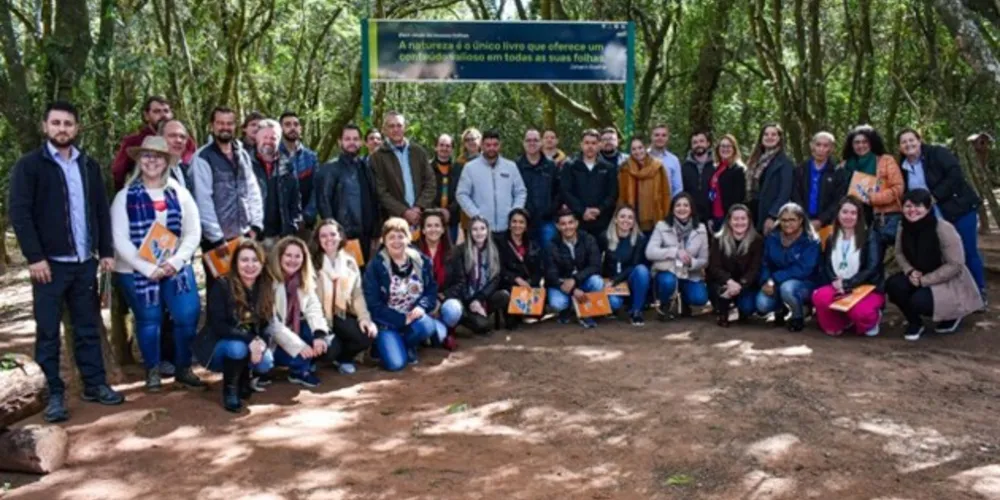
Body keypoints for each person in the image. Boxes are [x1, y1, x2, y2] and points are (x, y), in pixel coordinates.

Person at [8, 101, 125, 422]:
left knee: (87, 327)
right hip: (48, 266)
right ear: (45, 127)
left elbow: (100, 210)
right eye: (56, 123)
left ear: (77, 128)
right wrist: (35, 257)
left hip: (83, 262)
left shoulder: (88, 165)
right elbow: (20, 213)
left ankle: (95, 384)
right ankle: (53, 395)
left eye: (68, 123)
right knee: (48, 332)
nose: (62, 129)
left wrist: (105, 251)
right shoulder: (30, 166)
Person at [111, 136, 204, 391]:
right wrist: (148, 268)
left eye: (158, 157)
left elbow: (192, 232)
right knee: (149, 319)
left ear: (166, 162)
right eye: (147, 156)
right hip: (136, 270)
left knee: (187, 315)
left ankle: (183, 367)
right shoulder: (125, 196)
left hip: (175, 267)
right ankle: (152, 370)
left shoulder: (179, 193)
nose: (152, 161)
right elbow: (119, 238)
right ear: (139, 160)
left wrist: (176, 261)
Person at [897, 128, 986, 303]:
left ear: (919, 140)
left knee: (967, 251)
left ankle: (979, 291)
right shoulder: (902, 167)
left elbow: (955, 174)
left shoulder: (937, 153)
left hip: (959, 209)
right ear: (900, 147)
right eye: (904, 142)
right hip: (929, 218)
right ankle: (950, 296)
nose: (908, 144)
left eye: (911, 140)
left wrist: (934, 196)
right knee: (942, 256)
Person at [886, 189, 984, 341]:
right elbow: (899, 253)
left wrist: (924, 280)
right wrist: (910, 271)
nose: (912, 210)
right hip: (918, 275)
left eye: (918, 206)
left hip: (946, 279)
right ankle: (915, 322)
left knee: (919, 301)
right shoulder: (903, 226)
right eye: (908, 206)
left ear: (927, 208)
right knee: (894, 285)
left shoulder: (943, 228)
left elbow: (955, 264)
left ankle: (952, 315)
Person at [193, 239, 275, 412]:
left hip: (249, 341)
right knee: (237, 348)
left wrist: (262, 343)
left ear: (262, 264)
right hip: (218, 345)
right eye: (244, 260)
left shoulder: (265, 286)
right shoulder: (222, 285)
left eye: (255, 260)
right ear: (236, 263)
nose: (250, 265)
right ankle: (230, 390)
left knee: (266, 361)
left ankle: (243, 377)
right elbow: (219, 326)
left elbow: (268, 323)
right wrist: (251, 340)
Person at [191, 106, 264, 290]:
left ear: (235, 126)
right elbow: (203, 200)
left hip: (244, 235)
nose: (225, 127)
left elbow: (252, 189)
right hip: (217, 241)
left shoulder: (242, 153)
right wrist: (217, 238)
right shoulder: (203, 157)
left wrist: (256, 225)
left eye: (229, 123)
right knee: (220, 291)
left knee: (246, 288)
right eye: (220, 123)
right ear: (212, 125)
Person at [363, 218, 442, 371]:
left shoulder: (421, 261)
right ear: (384, 240)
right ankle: (382, 346)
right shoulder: (376, 266)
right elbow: (373, 304)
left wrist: (421, 306)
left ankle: (406, 344)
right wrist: (401, 319)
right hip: (387, 322)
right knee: (396, 364)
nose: (397, 241)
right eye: (391, 237)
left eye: (401, 236)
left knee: (428, 325)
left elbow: (431, 290)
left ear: (409, 238)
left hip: (413, 318)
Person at [311, 219, 378, 374]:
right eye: (323, 236)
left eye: (333, 234)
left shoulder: (350, 260)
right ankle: (314, 359)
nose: (329, 239)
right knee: (330, 350)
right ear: (318, 239)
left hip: (341, 313)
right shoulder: (311, 263)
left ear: (340, 236)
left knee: (366, 336)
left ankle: (344, 359)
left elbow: (357, 294)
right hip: (319, 317)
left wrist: (364, 318)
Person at [811, 197, 884, 336]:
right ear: (838, 214)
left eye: (853, 213)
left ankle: (873, 319)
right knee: (820, 297)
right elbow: (827, 265)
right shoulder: (831, 238)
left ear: (859, 216)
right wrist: (836, 281)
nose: (848, 217)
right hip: (839, 285)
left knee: (860, 312)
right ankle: (842, 321)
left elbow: (872, 267)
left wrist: (847, 284)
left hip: (865, 287)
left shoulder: (870, 236)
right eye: (844, 212)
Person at [268, 236, 333, 388]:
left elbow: (313, 308)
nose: (293, 260)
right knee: (297, 355)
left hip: (293, 329)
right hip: (273, 336)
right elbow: (272, 323)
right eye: (288, 255)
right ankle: (288, 367)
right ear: (279, 256)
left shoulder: (304, 278)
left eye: (298, 256)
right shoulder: (268, 281)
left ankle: (300, 369)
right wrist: (298, 346)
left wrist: (319, 334)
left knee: (325, 343)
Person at [317, 124, 380, 264]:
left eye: (355, 139)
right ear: (340, 142)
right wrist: (334, 233)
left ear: (361, 142)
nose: (352, 142)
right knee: (345, 273)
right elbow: (324, 202)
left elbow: (374, 199)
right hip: (344, 234)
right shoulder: (330, 169)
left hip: (368, 234)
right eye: (347, 139)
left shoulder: (366, 166)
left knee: (364, 273)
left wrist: (376, 230)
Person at [756, 202, 821, 332]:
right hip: (775, 282)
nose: (787, 224)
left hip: (804, 283)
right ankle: (781, 309)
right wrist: (766, 281)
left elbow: (803, 269)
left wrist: (775, 278)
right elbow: (765, 263)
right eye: (784, 220)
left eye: (792, 220)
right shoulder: (772, 237)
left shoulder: (811, 240)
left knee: (787, 288)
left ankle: (798, 316)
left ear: (801, 220)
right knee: (762, 304)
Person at [111, 95, 197, 191]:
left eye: (166, 111)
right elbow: (118, 172)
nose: (163, 115)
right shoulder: (134, 141)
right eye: (157, 111)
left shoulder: (185, 141)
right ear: (146, 116)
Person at [646, 193, 710, 319]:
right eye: (678, 205)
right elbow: (650, 252)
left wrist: (691, 262)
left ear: (691, 209)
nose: (682, 208)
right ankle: (665, 304)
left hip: (690, 273)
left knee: (700, 298)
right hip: (668, 271)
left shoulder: (701, 228)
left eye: (686, 205)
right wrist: (674, 252)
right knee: (667, 282)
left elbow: (704, 260)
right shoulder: (662, 226)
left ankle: (685, 301)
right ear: (672, 208)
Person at [443, 216, 510, 335]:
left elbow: (495, 279)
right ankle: (466, 317)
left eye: (482, 229)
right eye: (475, 229)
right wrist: (471, 302)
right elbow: (460, 281)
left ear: (487, 231)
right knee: (482, 326)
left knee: (504, 295)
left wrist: (478, 299)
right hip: (464, 298)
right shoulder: (460, 251)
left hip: (482, 297)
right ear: (469, 232)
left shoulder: (494, 250)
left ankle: (479, 313)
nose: (479, 233)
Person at [840, 125, 904, 252]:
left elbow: (898, 188)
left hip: (881, 216)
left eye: (865, 142)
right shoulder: (845, 165)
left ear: (872, 142)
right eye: (857, 142)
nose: (861, 145)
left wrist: (875, 198)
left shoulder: (885, 160)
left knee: (875, 257)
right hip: (854, 218)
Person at [370, 111, 436, 230]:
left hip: (421, 217)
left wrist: (418, 207)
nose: (396, 129)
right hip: (394, 220)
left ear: (405, 127)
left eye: (399, 125)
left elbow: (430, 182)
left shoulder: (418, 152)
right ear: (384, 130)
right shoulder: (377, 157)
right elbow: (380, 191)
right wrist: (404, 211)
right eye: (391, 126)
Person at [456, 130, 528, 234]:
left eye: (495, 145)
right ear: (482, 145)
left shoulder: (510, 167)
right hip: (481, 229)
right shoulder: (470, 168)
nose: (491, 148)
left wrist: (515, 212)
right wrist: (476, 215)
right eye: (488, 145)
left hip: (506, 227)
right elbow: (461, 194)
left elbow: (520, 192)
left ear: (500, 145)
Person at [544, 209, 605, 328]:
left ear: (576, 223)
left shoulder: (588, 239)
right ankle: (568, 308)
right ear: (557, 226)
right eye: (563, 224)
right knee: (557, 303)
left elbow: (596, 265)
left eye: (570, 222)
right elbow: (551, 274)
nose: (568, 227)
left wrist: (575, 280)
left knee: (597, 282)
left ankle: (586, 311)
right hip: (562, 284)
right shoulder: (551, 245)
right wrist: (573, 290)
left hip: (582, 281)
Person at [560, 129, 619, 246]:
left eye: (593, 143)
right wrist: (582, 211)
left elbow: (613, 193)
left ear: (599, 145)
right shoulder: (570, 166)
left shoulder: (609, 168)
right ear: (581, 145)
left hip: (602, 222)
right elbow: (566, 191)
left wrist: (600, 209)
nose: (590, 146)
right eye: (587, 143)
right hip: (577, 222)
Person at [708, 204, 763, 327]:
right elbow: (714, 267)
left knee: (747, 307)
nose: (739, 222)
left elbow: (755, 269)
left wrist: (740, 284)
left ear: (749, 221)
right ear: (729, 221)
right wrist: (729, 282)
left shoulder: (757, 240)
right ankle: (722, 311)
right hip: (723, 283)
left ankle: (739, 308)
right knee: (720, 291)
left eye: (743, 219)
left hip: (746, 284)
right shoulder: (718, 239)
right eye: (735, 219)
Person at [251, 119, 303, 245]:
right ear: (257, 138)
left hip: (280, 237)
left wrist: (292, 226)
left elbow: (295, 201)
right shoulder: (245, 164)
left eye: (273, 138)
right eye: (265, 137)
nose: (268, 141)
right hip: (253, 237)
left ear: (279, 140)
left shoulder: (288, 166)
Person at [416, 209, 459, 349]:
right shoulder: (413, 252)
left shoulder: (453, 252)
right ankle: (434, 333)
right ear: (423, 230)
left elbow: (461, 282)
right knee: (437, 337)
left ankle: (447, 330)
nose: (433, 229)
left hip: (444, 301)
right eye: (429, 226)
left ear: (443, 229)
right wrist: (429, 302)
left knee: (454, 309)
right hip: (422, 304)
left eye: (437, 225)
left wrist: (442, 298)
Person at [602, 206, 651, 326]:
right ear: (615, 219)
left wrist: (615, 280)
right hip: (609, 283)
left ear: (634, 222)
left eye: (630, 217)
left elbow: (635, 265)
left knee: (642, 270)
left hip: (628, 280)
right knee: (614, 303)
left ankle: (636, 311)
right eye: (622, 216)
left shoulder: (640, 239)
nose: (626, 220)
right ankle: (613, 307)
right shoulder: (604, 237)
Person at [497, 208, 544, 330]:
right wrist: (516, 279)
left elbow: (539, 269)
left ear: (526, 225)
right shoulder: (500, 243)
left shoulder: (532, 244)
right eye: (514, 221)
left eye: (521, 222)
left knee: (539, 314)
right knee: (512, 324)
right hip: (508, 282)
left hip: (528, 284)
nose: (517, 225)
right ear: (509, 224)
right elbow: (499, 268)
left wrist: (531, 283)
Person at [747, 123, 795, 233]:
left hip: (769, 215)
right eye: (766, 134)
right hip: (752, 212)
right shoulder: (755, 160)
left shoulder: (785, 163)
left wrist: (773, 216)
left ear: (779, 138)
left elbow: (785, 193)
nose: (769, 137)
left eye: (773, 134)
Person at [517, 129, 560, 250]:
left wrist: (551, 209)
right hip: (523, 222)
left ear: (541, 142)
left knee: (550, 253)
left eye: (535, 140)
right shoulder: (516, 166)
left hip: (547, 221)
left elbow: (559, 191)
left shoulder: (551, 166)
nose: (532, 143)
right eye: (528, 140)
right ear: (523, 143)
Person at [618, 135, 670, 235]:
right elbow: (621, 195)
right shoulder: (625, 168)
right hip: (631, 218)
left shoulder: (657, 167)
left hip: (654, 217)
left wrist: (666, 216)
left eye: (640, 148)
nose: (637, 151)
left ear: (646, 148)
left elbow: (665, 193)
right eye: (634, 149)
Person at [278, 111, 321, 230]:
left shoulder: (311, 157)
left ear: (300, 129)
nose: (293, 128)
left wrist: (307, 216)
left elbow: (317, 189)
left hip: (305, 225)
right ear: (280, 129)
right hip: (278, 224)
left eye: (296, 124)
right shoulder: (273, 156)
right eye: (287, 124)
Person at [794, 131, 841, 230]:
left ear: (831, 148)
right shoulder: (800, 169)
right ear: (812, 146)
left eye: (825, 146)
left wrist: (821, 220)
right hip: (801, 221)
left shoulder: (837, 172)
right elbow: (795, 195)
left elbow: (838, 200)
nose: (821, 149)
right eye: (818, 145)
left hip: (827, 224)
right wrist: (803, 217)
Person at [704, 134, 747, 230]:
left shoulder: (738, 170)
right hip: (715, 216)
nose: (725, 149)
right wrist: (710, 215)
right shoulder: (717, 168)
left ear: (734, 149)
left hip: (729, 217)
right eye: (723, 146)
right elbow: (712, 192)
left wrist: (733, 218)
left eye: (728, 146)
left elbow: (739, 198)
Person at [429, 133, 463, 242]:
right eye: (441, 145)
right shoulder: (427, 168)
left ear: (452, 149)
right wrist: (436, 210)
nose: (444, 148)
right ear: (436, 147)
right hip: (431, 217)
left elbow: (462, 192)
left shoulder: (459, 169)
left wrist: (448, 211)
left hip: (452, 219)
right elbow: (423, 191)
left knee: (450, 249)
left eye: (448, 146)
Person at [681, 130, 716, 221]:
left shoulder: (715, 167)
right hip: (689, 216)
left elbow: (715, 192)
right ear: (691, 146)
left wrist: (712, 215)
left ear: (708, 143)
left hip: (711, 217)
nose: (698, 144)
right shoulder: (684, 168)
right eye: (695, 142)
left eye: (701, 141)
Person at [647, 123, 684, 197]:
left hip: (667, 202)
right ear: (651, 137)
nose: (660, 138)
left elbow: (678, 189)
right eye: (657, 135)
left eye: (664, 135)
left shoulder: (674, 160)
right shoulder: (642, 157)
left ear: (667, 138)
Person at [159, 119, 194, 190]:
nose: (179, 140)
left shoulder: (187, 170)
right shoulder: (154, 170)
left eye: (182, 137)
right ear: (160, 138)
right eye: (172, 136)